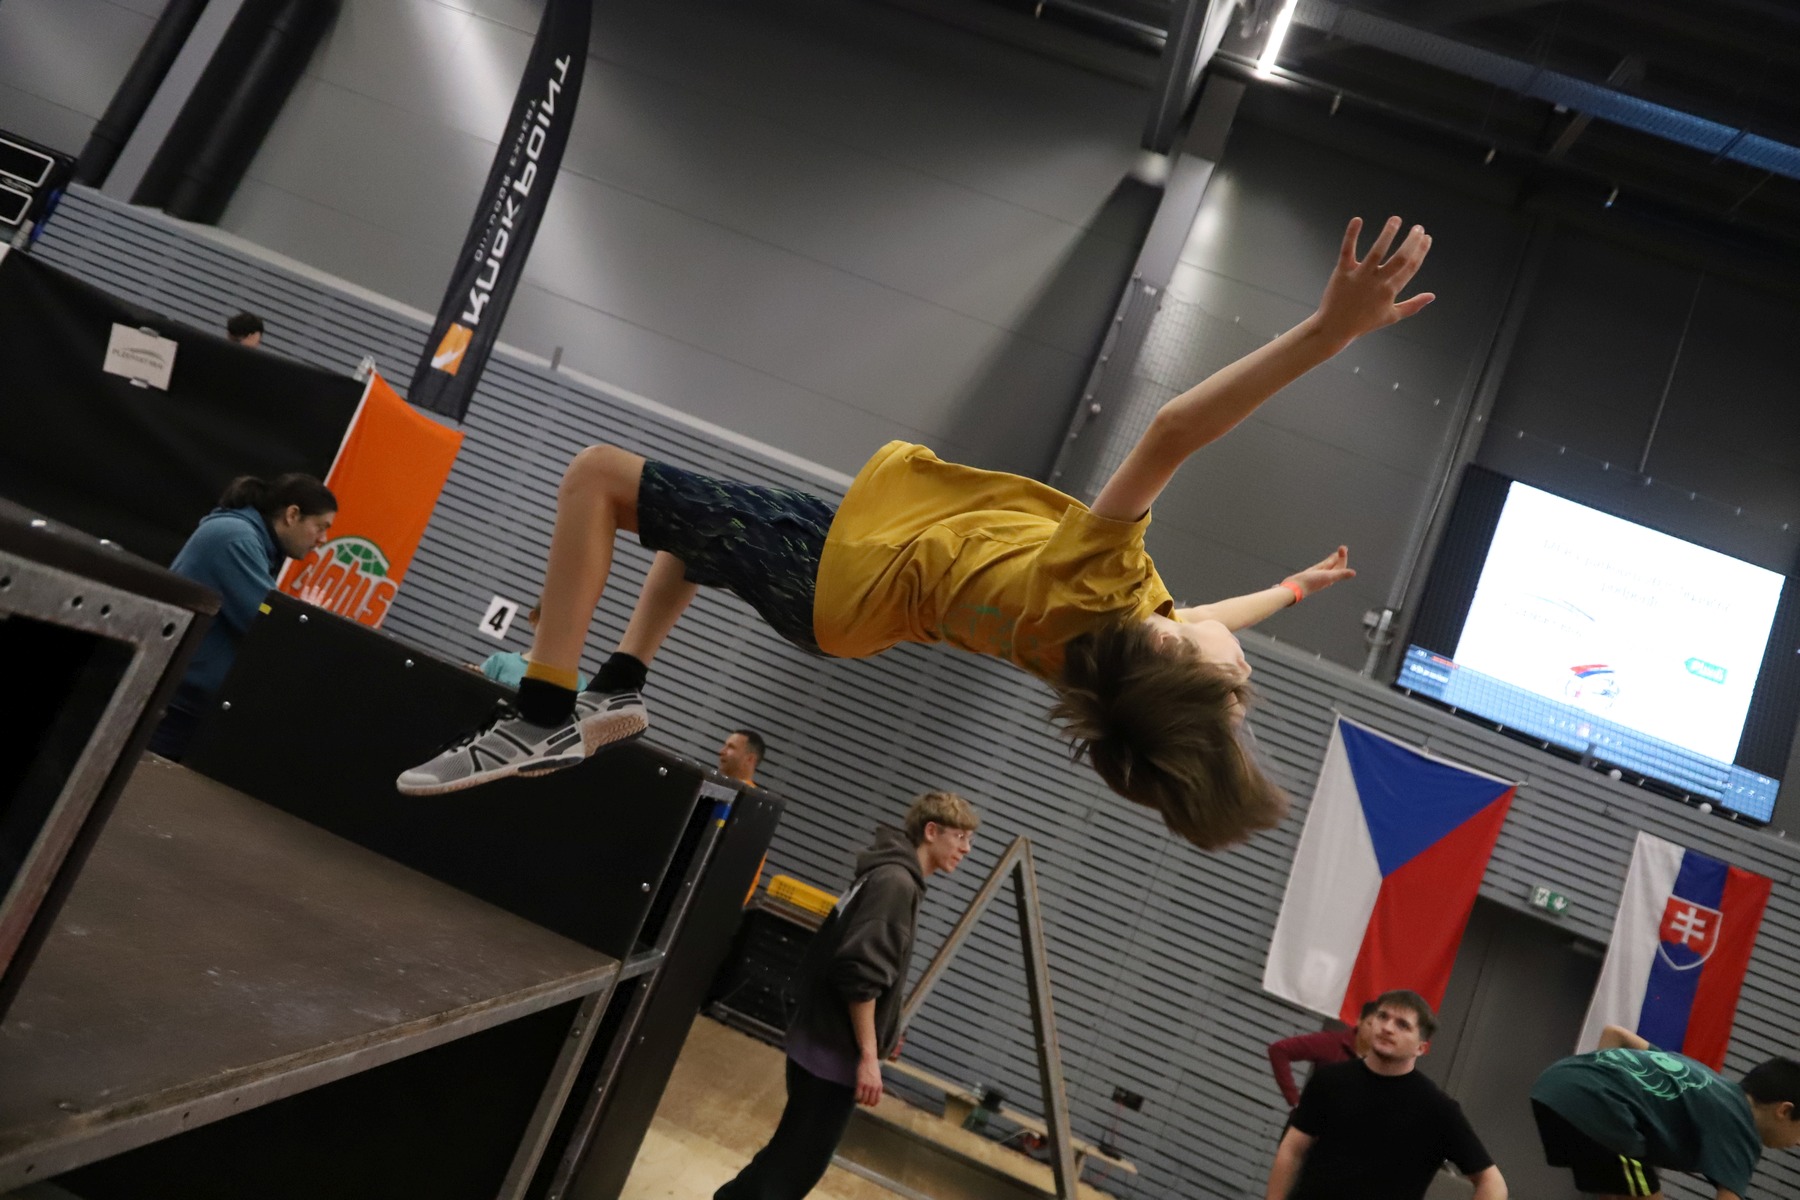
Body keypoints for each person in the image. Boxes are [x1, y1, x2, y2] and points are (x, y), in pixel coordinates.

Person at [397, 216, 1434, 852]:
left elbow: (1171, 431)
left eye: (1235, 686)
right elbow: (1214, 620)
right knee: (690, 531)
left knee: (598, 478)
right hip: (862, 565)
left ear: (1176, 662)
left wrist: (1324, 334)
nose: (1240, 662)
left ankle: (544, 712)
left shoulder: (1100, 586)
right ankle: (622, 687)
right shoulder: (1115, 645)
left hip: (840, 578)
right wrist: (1295, 590)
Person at [716, 791, 978, 1200]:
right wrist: (869, 1057)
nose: (966, 849)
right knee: (791, 1172)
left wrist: (886, 1027)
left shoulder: (887, 874)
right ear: (932, 831)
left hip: (819, 1040)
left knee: (786, 1160)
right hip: (832, 1052)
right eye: (960, 837)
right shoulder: (896, 883)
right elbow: (860, 974)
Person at [149, 473, 336, 760]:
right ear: (292, 515)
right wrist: (304, 618)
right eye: (320, 527)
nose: (323, 539)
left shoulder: (249, 540)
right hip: (176, 706)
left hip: (183, 701)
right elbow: (267, 621)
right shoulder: (236, 539)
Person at [1265, 989, 1507, 1200]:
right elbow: (1292, 1149)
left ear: (1421, 1047)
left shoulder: (1438, 1109)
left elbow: (1493, 1184)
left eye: (1402, 1025)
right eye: (1383, 1017)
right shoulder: (1330, 1080)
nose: (1388, 1028)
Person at [1530, 1025, 1800, 1199]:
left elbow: (1616, 1034)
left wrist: (1595, 1084)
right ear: (1784, 1111)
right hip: (1601, 1109)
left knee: (1619, 1191)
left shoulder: (1707, 1081)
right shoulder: (1742, 1128)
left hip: (1554, 1084)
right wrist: (1596, 1099)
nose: (1798, 1142)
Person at [1267, 999, 1380, 1110]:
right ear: (1359, 1020)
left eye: (1379, 1028)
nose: (1373, 1032)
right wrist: (1294, 1101)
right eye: (1370, 1024)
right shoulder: (1334, 1043)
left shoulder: (1382, 1063)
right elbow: (1279, 1050)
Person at [479, 604, 591, 691]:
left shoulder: (576, 682)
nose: (557, 631)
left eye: (566, 626)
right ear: (534, 618)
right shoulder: (499, 663)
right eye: (551, 620)